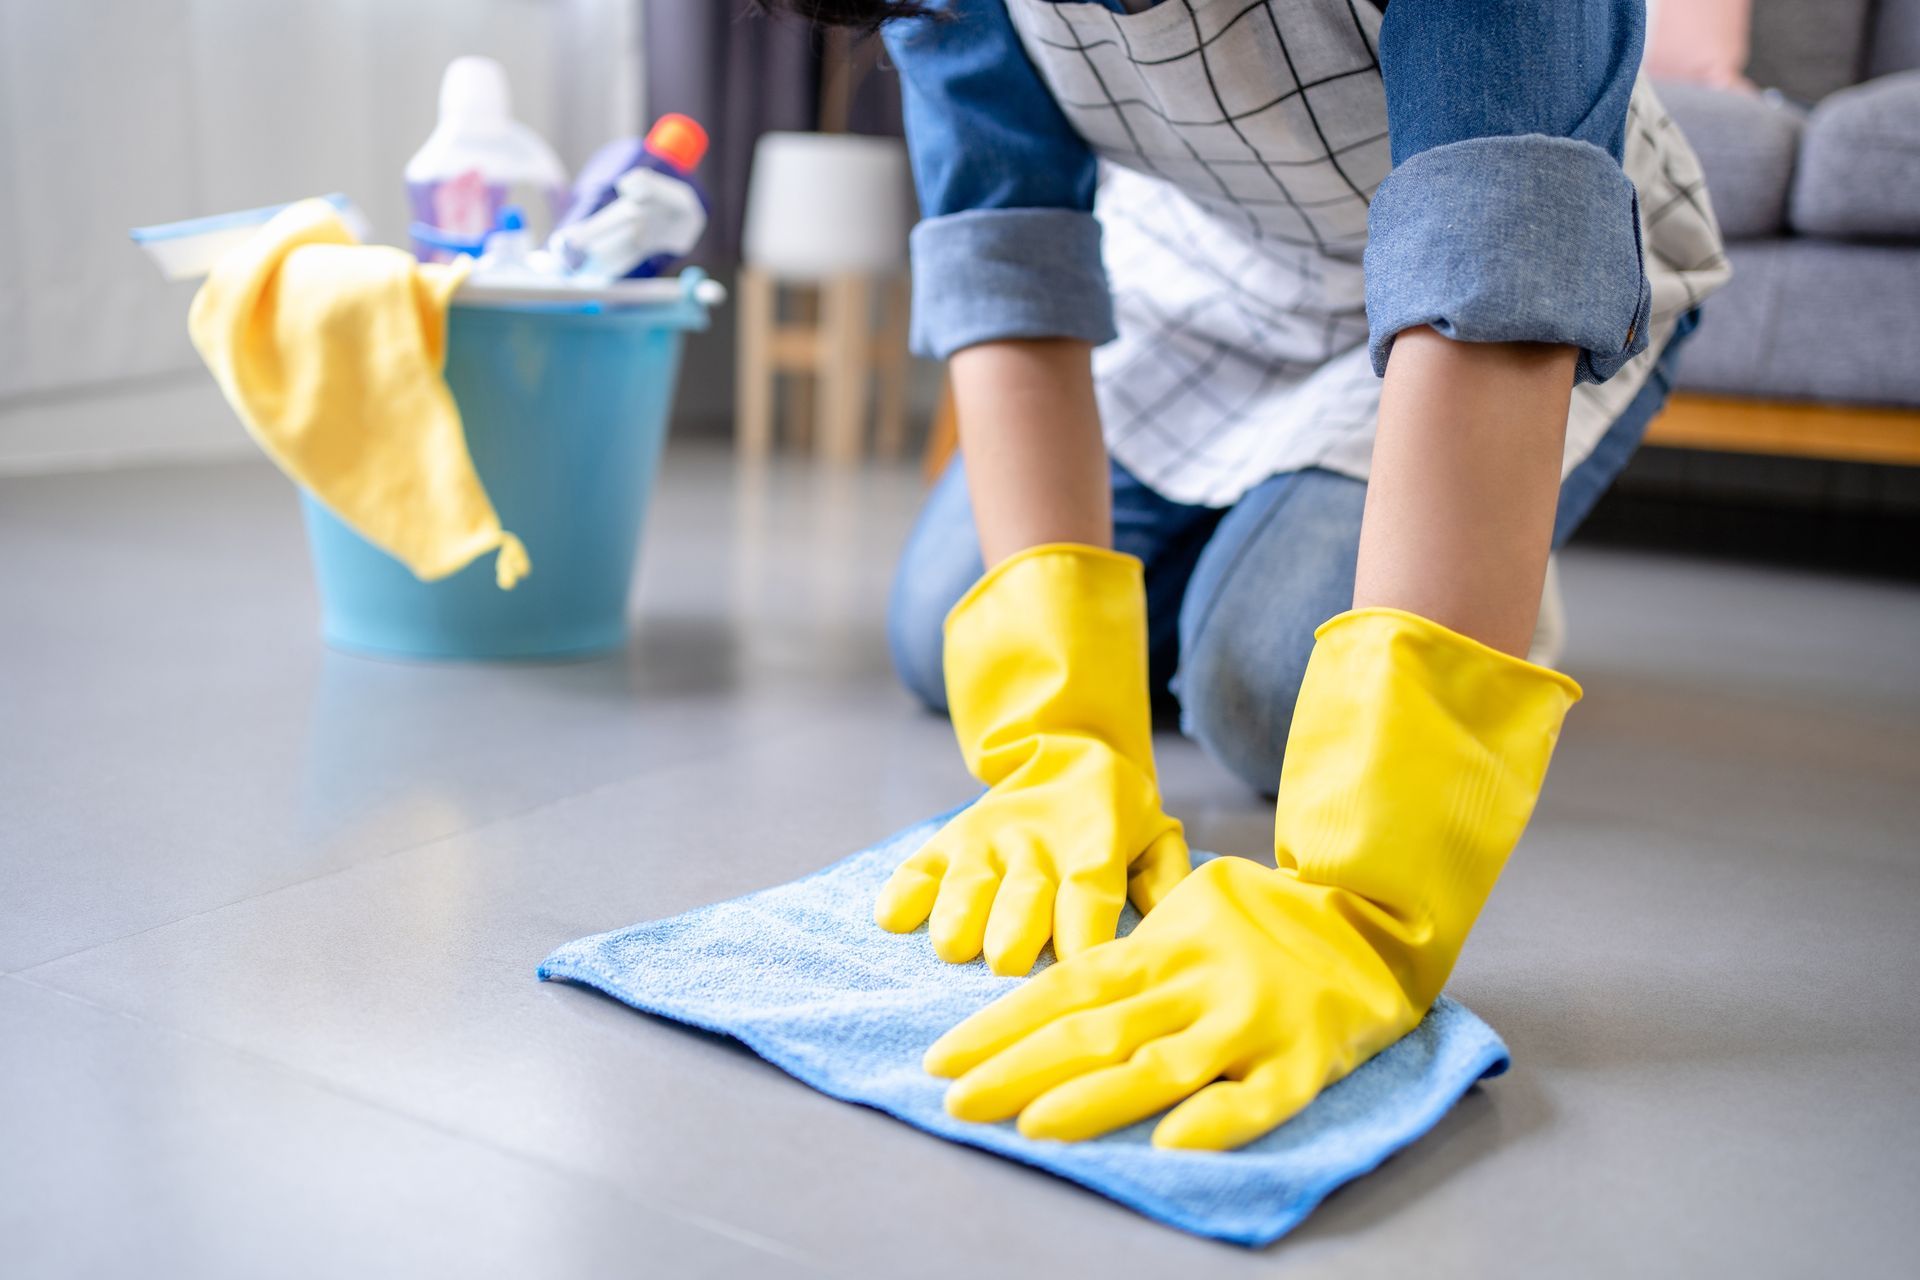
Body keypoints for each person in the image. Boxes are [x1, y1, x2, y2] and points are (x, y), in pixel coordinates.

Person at [756, 0, 1727, 1150]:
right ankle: (1324, 542)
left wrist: (1364, 897)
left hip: (1506, 268)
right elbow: (1006, 242)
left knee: (1263, 684)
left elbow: (1497, 250)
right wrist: (1062, 733)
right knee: (941, 632)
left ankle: (1474, 569)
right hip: (1214, 266)